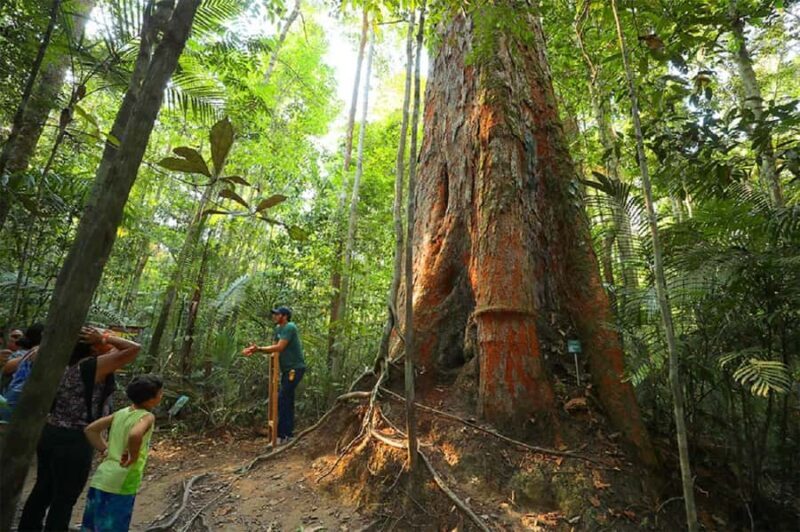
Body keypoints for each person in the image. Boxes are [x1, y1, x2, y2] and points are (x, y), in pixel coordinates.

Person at [18, 326, 141, 532]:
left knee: (43, 489)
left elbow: (117, 351)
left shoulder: (60, 363)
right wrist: (103, 337)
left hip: (51, 432)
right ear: (93, 348)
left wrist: (100, 338)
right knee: (65, 498)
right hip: (75, 439)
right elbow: (134, 348)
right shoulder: (92, 367)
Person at [81, 374, 163, 532]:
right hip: (122, 480)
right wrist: (133, 455)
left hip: (102, 477)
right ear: (150, 399)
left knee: (92, 525)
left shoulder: (121, 413)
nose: (161, 395)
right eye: (160, 393)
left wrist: (105, 449)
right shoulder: (147, 417)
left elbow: (91, 430)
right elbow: (135, 434)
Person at [243, 306, 306, 444]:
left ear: (284, 316)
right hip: (286, 370)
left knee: (283, 399)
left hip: (295, 369)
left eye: (277, 314)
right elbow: (274, 349)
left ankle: (283, 435)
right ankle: (286, 435)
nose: (274, 317)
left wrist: (258, 349)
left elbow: (279, 347)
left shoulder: (290, 327)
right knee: (287, 400)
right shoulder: (278, 330)